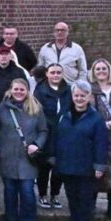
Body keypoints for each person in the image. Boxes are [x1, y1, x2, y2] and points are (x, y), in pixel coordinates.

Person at [54, 80, 107, 221]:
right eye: (76, 95)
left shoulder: (96, 119)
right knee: (71, 196)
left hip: (86, 166)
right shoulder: (64, 115)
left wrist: (99, 166)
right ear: (72, 96)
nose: (79, 98)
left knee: (84, 198)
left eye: (83, 96)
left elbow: (101, 143)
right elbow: (57, 137)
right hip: (67, 163)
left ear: (89, 97)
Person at [0, 79, 47, 221]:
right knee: (9, 192)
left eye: (22, 89)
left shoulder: (36, 108)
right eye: (16, 89)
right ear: (10, 90)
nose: (19, 92)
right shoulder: (2, 108)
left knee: (27, 191)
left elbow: (43, 130)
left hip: (27, 157)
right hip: (7, 155)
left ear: (27, 91)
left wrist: (37, 144)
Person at [88, 58, 111, 221]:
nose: (101, 72)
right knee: (98, 167)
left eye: (104, 69)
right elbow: (88, 109)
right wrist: (99, 123)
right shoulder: (91, 89)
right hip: (98, 132)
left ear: (109, 70)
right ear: (93, 72)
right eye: (97, 69)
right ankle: (92, 206)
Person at [33, 63, 71, 209]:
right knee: (44, 166)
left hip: (63, 132)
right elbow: (37, 111)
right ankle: (42, 194)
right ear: (47, 74)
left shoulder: (67, 90)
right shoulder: (40, 91)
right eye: (53, 72)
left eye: (58, 73)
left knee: (59, 167)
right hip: (46, 131)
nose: (56, 75)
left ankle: (55, 194)